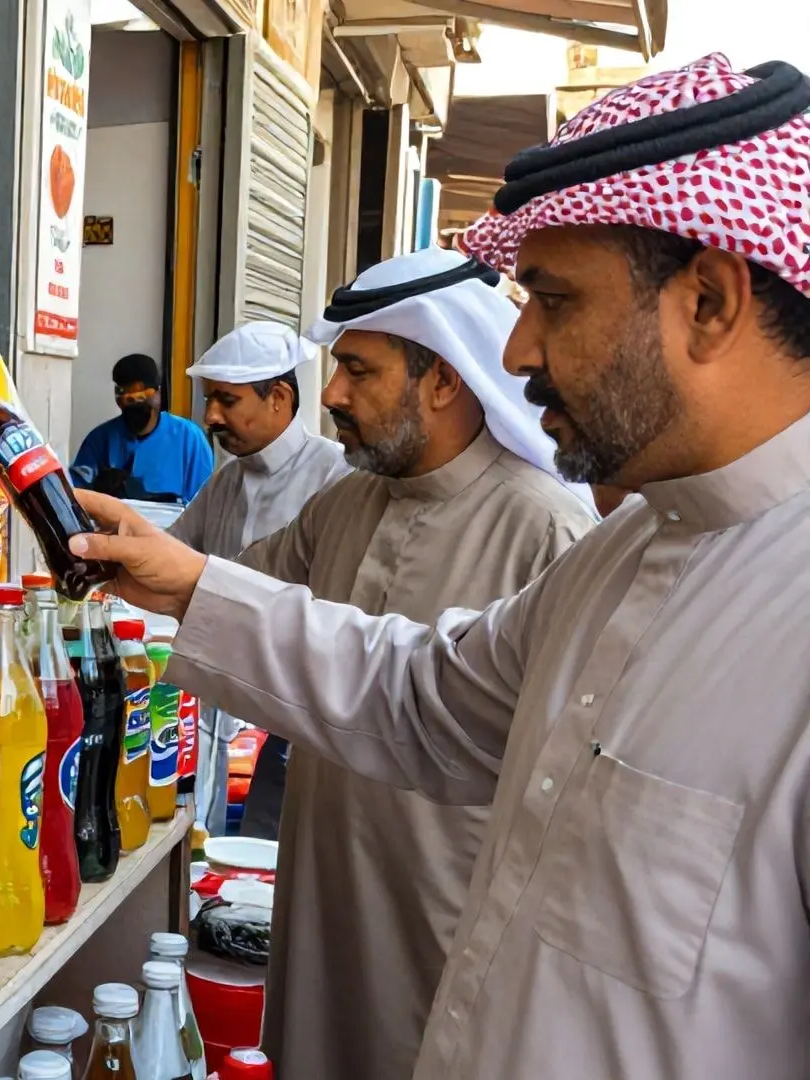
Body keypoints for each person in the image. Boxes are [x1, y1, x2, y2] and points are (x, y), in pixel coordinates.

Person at [68, 54, 810, 1080]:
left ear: (712, 305)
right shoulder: (629, 553)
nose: (519, 352)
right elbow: (416, 694)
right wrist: (186, 582)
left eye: (554, 301)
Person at [152, 248, 601, 1080]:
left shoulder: (546, 530)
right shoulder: (348, 502)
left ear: (444, 380)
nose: (331, 396)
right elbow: (233, 592)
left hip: (443, 911)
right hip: (322, 882)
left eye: (357, 370)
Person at [168, 321, 350, 836]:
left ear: (279, 398)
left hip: (289, 716)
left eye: (226, 400)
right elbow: (175, 553)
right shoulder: (226, 480)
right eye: (209, 400)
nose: (211, 417)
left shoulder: (335, 477)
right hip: (213, 704)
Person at [71, 352, 212, 501]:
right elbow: (75, 495)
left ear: (158, 394)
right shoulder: (100, 440)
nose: (135, 405)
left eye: (141, 396)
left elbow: (205, 503)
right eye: (127, 397)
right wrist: (96, 490)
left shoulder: (189, 439)